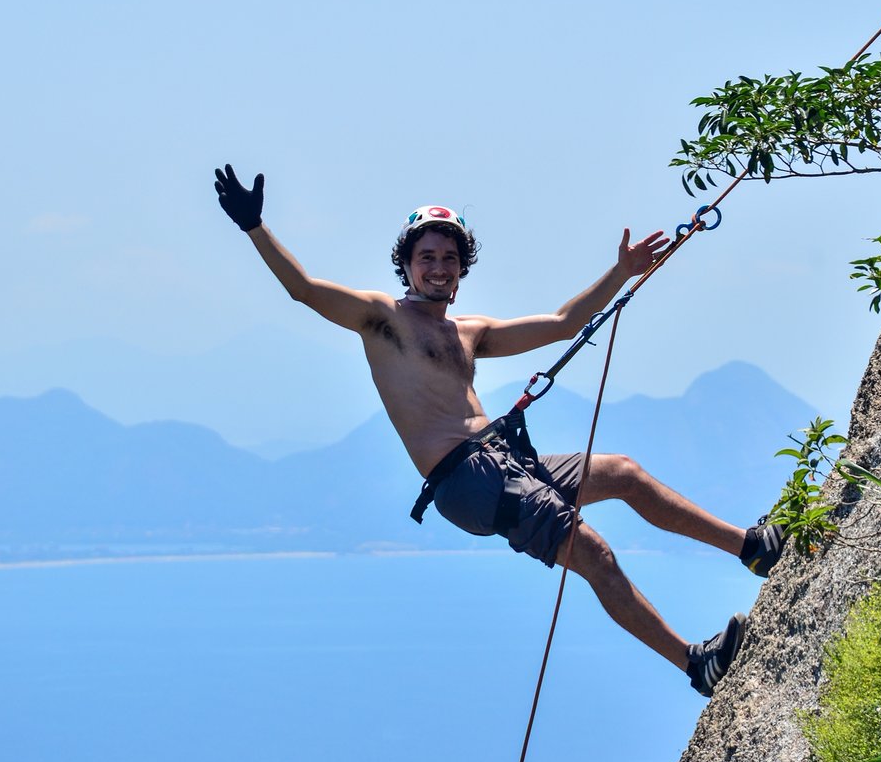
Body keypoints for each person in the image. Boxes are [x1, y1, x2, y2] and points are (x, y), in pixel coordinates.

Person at [214, 166, 784, 697]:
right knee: (593, 551)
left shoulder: (469, 331)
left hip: (505, 462)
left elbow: (563, 325)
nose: (438, 267)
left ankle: (751, 548)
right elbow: (305, 289)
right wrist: (254, 226)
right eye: (426, 257)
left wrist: (621, 272)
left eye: (448, 258)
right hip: (466, 481)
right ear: (406, 266)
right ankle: (695, 663)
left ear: (462, 271)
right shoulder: (381, 320)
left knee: (626, 474)